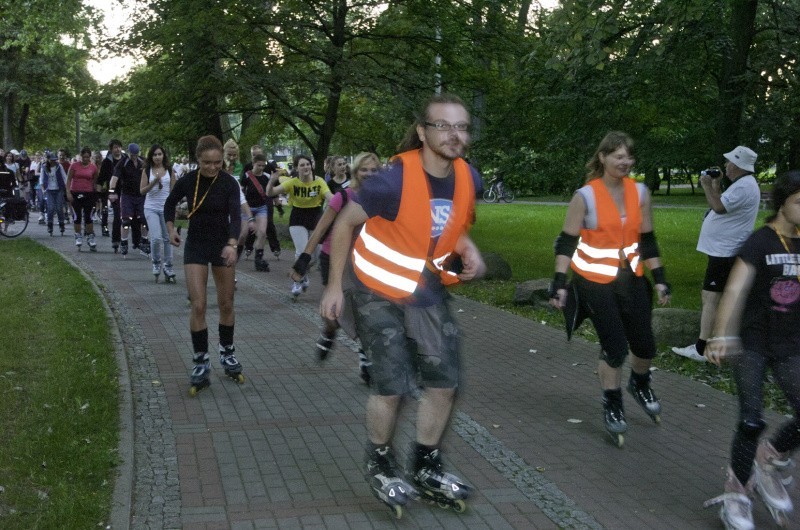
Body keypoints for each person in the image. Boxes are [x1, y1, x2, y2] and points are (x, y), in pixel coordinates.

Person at [320, 94, 485, 515]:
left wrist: (469, 250)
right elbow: (344, 225)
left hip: (424, 289)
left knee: (445, 380)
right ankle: (380, 460)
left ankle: (426, 464)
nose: (454, 135)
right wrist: (334, 287)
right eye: (443, 126)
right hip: (375, 289)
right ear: (422, 132)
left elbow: (453, 226)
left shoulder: (470, 178)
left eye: (462, 127)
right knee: (391, 383)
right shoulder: (390, 180)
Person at [549, 131, 671, 447]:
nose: (625, 162)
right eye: (618, 156)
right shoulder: (585, 197)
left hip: (630, 278)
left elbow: (647, 239)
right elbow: (566, 241)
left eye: (629, 157)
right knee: (615, 347)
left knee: (645, 346)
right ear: (602, 157)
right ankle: (612, 402)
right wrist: (559, 283)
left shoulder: (640, 193)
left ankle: (640, 383)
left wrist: (660, 279)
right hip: (594, 283)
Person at [703, 170, 800, 529]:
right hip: (753, 343)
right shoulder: (759, 242)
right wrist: (720, 335)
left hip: (791, 344)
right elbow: (735, 290)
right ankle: (738, 491)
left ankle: (770, 459)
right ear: (782, 204)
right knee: (751, 419)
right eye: (799, 202)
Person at [164, 135, 244, 394]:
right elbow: (169, 204)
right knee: (198, 304)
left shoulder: (229, 183)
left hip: (222, 244)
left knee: (226, 303)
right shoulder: (188, 180)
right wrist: (170, 230)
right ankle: (200, 361)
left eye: (217, 162)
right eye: (207, 162)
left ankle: (227, 353)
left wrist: (232, 244)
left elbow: (235, 216)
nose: (212, 167)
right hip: (196, 245)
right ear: (198, 160)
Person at [292, 151, 380, 385]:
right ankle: (330, 330)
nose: (369, 174)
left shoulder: (383, 197)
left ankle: (365, 359)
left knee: (363, 310)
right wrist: (303, 260)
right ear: (355, 172)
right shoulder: (343, 196)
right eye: (364, 170)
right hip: (334, 259)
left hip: (364, 260)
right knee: (336, 312)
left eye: (374, 170)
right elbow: (320, 229)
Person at [672, 146, 761, 362]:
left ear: (738, 166)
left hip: (725, 250)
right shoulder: (742, 184)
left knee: (711, 297)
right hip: (724, 249)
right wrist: (716, 184)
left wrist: (705, 185)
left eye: (729, 162)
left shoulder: (744, 187)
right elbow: (722, 203)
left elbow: (718, 207)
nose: (725, 165)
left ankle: (702, 349)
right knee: (720, 297)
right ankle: (724, 345)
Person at [266, 154, 332, 298]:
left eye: (307, 164)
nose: (305, 167)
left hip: (315, 218)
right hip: (298, 218)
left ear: (311, 165)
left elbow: (330, 198)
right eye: (302, 165)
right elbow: (270, 193)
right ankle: (297, 280)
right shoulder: (292, 183)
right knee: (302, 251)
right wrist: (271, 182)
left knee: (315, 257)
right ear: (297, 168)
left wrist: (339, 204)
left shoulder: (319, 181)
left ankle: (302, 273)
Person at [140, 144, 177, 282]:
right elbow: (142, 191)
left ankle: (168, 266)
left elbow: (174, 192)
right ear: (151, 156)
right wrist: (154, 183)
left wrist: (175, 207)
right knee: (156, 238)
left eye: (159, 154)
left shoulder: (169, 170)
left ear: (163, 156)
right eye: (155, 155)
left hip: (166, 208)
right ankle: (156, 262)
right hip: (151, 207)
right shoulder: (147, 170)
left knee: (168, 238)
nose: (157, 157)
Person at [109, 143, 149, 257]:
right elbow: (114, 178)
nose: (134, 157)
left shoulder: (143, 162)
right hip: (127, 195)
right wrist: (112, 191)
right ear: (129, 153)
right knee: (126, 220)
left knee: (143, 220)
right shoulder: (124, 162)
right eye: (132, 155)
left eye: (136, 155)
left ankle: (144, 240)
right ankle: (124, 241)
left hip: (141, 195)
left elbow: (151, 173)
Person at [240, 154, 277, 272]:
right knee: (243, 234)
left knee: (262, 233)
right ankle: (236, 254)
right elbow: (240, 192)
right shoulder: (246, 176)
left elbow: (271, 191)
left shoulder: (266, 176)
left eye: (263, 165)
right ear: (253, 164)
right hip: (248, 208)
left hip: (262, 207)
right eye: (258, 165)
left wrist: (272, 182)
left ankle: (258, 260)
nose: (261, 168)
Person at [65, 147, 99, 251]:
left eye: (87, 157)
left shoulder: (93, 167)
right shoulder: (74, 166)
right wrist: (68, 192)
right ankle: (78, 235)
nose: (85, 159)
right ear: (81, 157)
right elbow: (69, 179)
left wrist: (96, 193)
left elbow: (95, 180)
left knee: (88, 216)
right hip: (75, 192)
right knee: (77, 216)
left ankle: (90, 236)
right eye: (84, 157)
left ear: (90, 157)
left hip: (88, 193)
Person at [98, 139, 124, 244]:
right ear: (111, 149)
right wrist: (99, 191)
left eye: (119, 147)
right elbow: (101, 177)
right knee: (117, 214)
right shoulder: (107, 162)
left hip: (126, 190)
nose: (117, 149)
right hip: (113, 191)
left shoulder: (126, 159)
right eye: (115, 147)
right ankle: (116, 239)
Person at [40, 152, 67, 236]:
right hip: (49, 190)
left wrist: (67, 188)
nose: (53, 161)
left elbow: (64, 177)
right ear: (48, 160)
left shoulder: (59, 166)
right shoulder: (44, 167)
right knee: (50, 208)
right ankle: (50, 225)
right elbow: (41, 179)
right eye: (52, 160)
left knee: (59, 208)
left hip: (59, 189)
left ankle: (61, 224)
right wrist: (43, 189)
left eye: (54, 160)